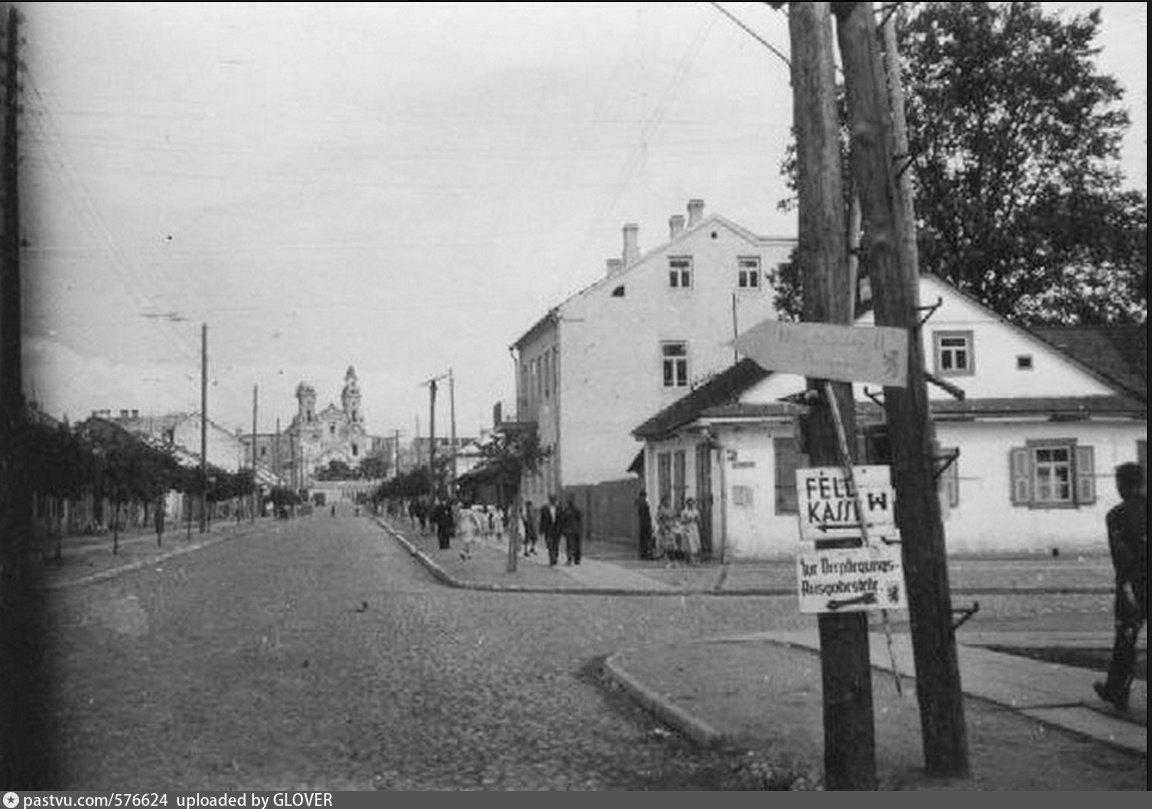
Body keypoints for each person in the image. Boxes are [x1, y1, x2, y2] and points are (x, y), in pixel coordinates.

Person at [1094, 462, 1147, 712]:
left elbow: (1121, 556)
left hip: (1133, 585)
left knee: (1125, 641)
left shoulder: (1116, 515)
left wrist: (1126, 585)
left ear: (1122, 485)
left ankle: (1117, 692)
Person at [539, 494, 563, 567]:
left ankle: (555, 557)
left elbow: (562, 520)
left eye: (553, 500)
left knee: (556, 545)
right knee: (550, 545)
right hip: (548, 530)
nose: (552, 501)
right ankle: (551, 559)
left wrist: (562, 529)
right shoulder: (544, 509)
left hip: (557, 530)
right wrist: (541, 530)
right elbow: (542, 520)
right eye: (551, 500)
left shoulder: (559, 508)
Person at [678, 497, 702, 566]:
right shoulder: (684, 512)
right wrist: (687, 520)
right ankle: (689, 560)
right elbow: (682, 522)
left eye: (692, 504)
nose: (690, 505)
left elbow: (699, 520)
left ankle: (695, 560)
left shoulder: (695, 511)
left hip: (694, 529)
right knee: (688, 544)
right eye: (689, 504)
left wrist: (696, 519)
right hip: (687, 528)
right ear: (687, 504)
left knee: (695, 543)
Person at [655, 494, 678, 565]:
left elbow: (674, 518)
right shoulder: (662, 510)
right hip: (664, 529)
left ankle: (673, 560)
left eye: (669, 501)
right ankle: (666, 560)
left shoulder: (672, 509)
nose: (668, 502)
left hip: (671, 529)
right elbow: (658, 519)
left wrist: (675, 525)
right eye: (667, 501)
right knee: (665, 546)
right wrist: (662, 527)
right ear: (664, 501)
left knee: (672, 545)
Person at [561, 493, 583, 565]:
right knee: (572, 545)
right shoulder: (568, 509)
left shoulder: (572, 509)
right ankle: (572, 559)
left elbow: (580, 516)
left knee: (574, 545)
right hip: (573, 530)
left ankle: (575, 559)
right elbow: (563, 520)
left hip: (574, 530)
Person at [636, 490, 654, 560]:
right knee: (646, 539)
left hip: (642, 524)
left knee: (643, 539)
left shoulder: (639, 503)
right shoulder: (643, 503)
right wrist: (648, 524)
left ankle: (643, 554)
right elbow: (644, 515)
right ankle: (645, 554)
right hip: (645, 524)